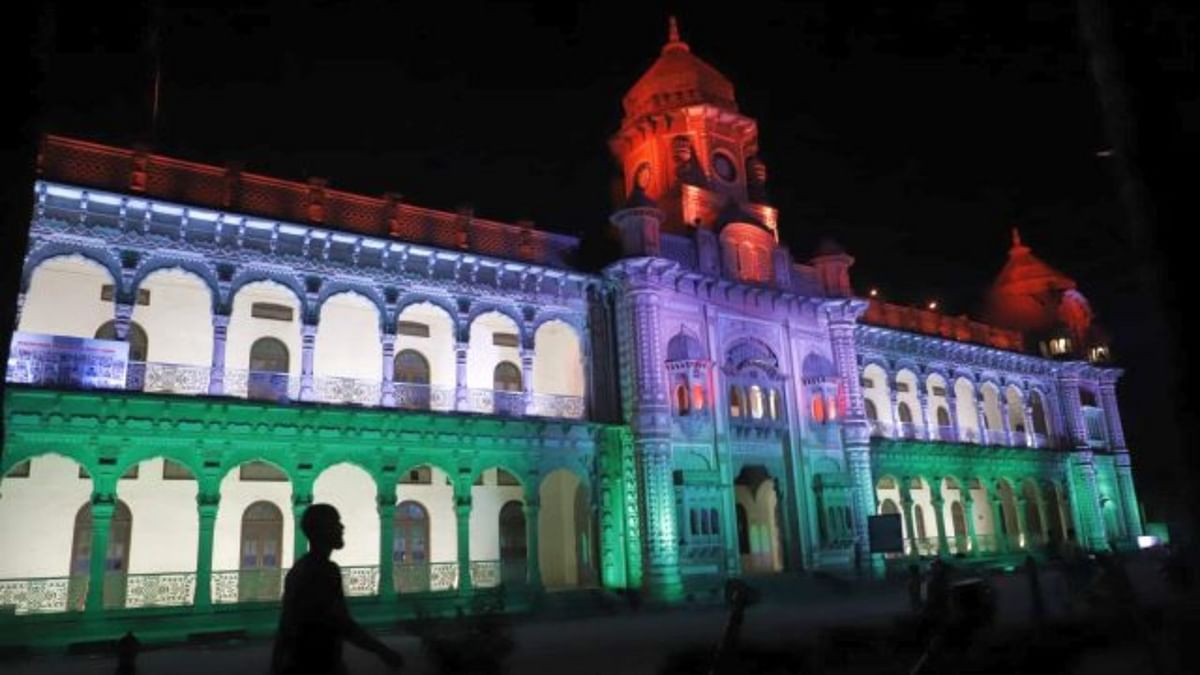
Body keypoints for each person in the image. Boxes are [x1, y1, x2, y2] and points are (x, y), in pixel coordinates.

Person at [271, 503, 405, 675]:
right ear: (322, 530)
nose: (342, 527)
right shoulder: (324, 571)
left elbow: (286, 626)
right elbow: (342, 623)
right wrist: (383, 651)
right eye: (335, 522)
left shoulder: (300, 569)